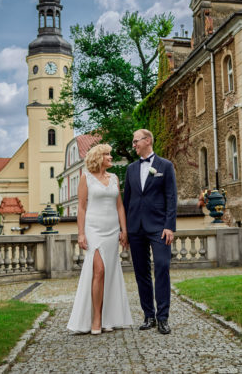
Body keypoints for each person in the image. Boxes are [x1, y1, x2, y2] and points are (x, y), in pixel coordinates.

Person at [67, 144, 133, 334]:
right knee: (99, 271)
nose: (111, 157)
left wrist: (124, 230)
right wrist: (81, 233)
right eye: (107, 154)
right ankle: (96, 317)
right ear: (98, 157)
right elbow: (81, 207)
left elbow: (119, 206)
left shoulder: (114, 178)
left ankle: (107, 318)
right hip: (93, 229)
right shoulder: (86, 177)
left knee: (110, 272)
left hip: (112, 230)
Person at [123, 129, 177, 335]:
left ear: (147, 141)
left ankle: (163, 318)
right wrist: (125, 230)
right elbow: (127, 200)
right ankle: (149, 316)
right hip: (135, 228)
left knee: (162, 267)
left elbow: (171, 197)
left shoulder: (166, 166)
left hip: (159, 228)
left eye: (136, 141)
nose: (133, 145)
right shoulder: (130, 169)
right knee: (141, 272)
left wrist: (169, 226)